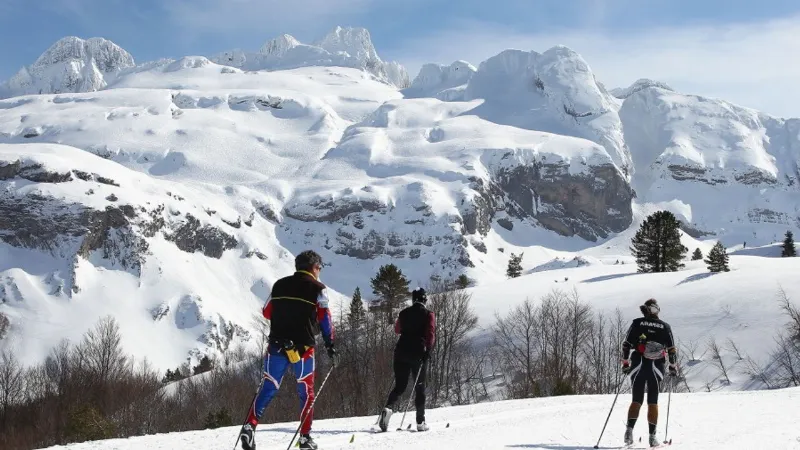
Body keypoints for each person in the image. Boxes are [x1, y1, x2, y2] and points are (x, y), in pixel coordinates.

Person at [239, 250, 336, 450]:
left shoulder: (279, 285)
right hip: (303, 349)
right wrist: (330, 344)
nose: (320, 272)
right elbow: (325, 318)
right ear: (314, 267)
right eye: (320, 268)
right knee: (306, 392)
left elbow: (266, 312)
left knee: (269, 386)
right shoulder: (319, 288)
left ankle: (250, 426)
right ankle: (305, 438)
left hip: (276, 346)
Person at [621, 298, 677, 447]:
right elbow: (671, 349)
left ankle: (629, 431)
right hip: (656, 367)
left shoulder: (637, 322)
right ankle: (652, 437)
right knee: (653, 401)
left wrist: (625, 363)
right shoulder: (665, 326)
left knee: (636, 399)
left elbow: (626, 345)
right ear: (655, 309)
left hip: (638, 365)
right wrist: (672, 366)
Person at [378, 287, 436, 432]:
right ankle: (420, 422)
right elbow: (430, 333)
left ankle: (388, 408)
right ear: (424, 299)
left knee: (400, 386)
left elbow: (397, 330)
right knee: (419, 387)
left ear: (413, 299)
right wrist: (428, 350)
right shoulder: (429, 314)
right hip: (418, 353)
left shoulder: (403, 313)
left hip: (401, 353)